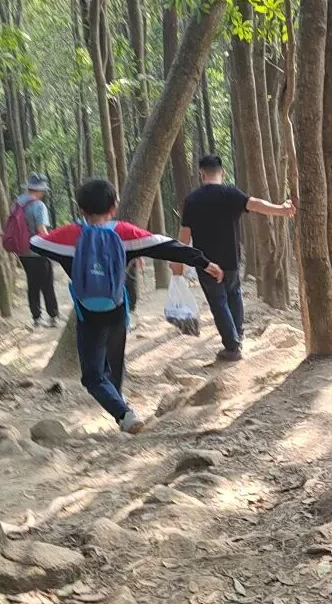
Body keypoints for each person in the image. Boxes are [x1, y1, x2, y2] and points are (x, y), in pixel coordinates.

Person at [32, 177, 222, 435]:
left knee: (92, 376)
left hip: (87, 316)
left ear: (81, 209)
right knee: (115, 365)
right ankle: (122, 410)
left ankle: (123, 414)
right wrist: (203, 262)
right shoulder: (123, 233)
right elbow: (166, 246)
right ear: (114, 207)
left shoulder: (70, 237)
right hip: (117, 312)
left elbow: (36, 243)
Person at [174, 154, 296, 361]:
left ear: (202, 175)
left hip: (206, 263)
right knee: (234, 295)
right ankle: (237, 336)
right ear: (222, 172)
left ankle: (232, 346)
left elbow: (184, 234)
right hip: (231, 259)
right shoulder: (231, 193)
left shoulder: (192, 200)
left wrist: (178, 260)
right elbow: (256, 204)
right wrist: (281, 210)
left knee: (218, 302)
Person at [8, 173, 59, 328]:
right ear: (40, 190)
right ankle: (53, 316)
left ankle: (36, 317)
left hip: (22, 250)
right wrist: (52, 246)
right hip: (38, 250)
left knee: (32, 283)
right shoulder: (38, 205)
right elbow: (41, 229)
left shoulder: (17, 202)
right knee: (47, 284)